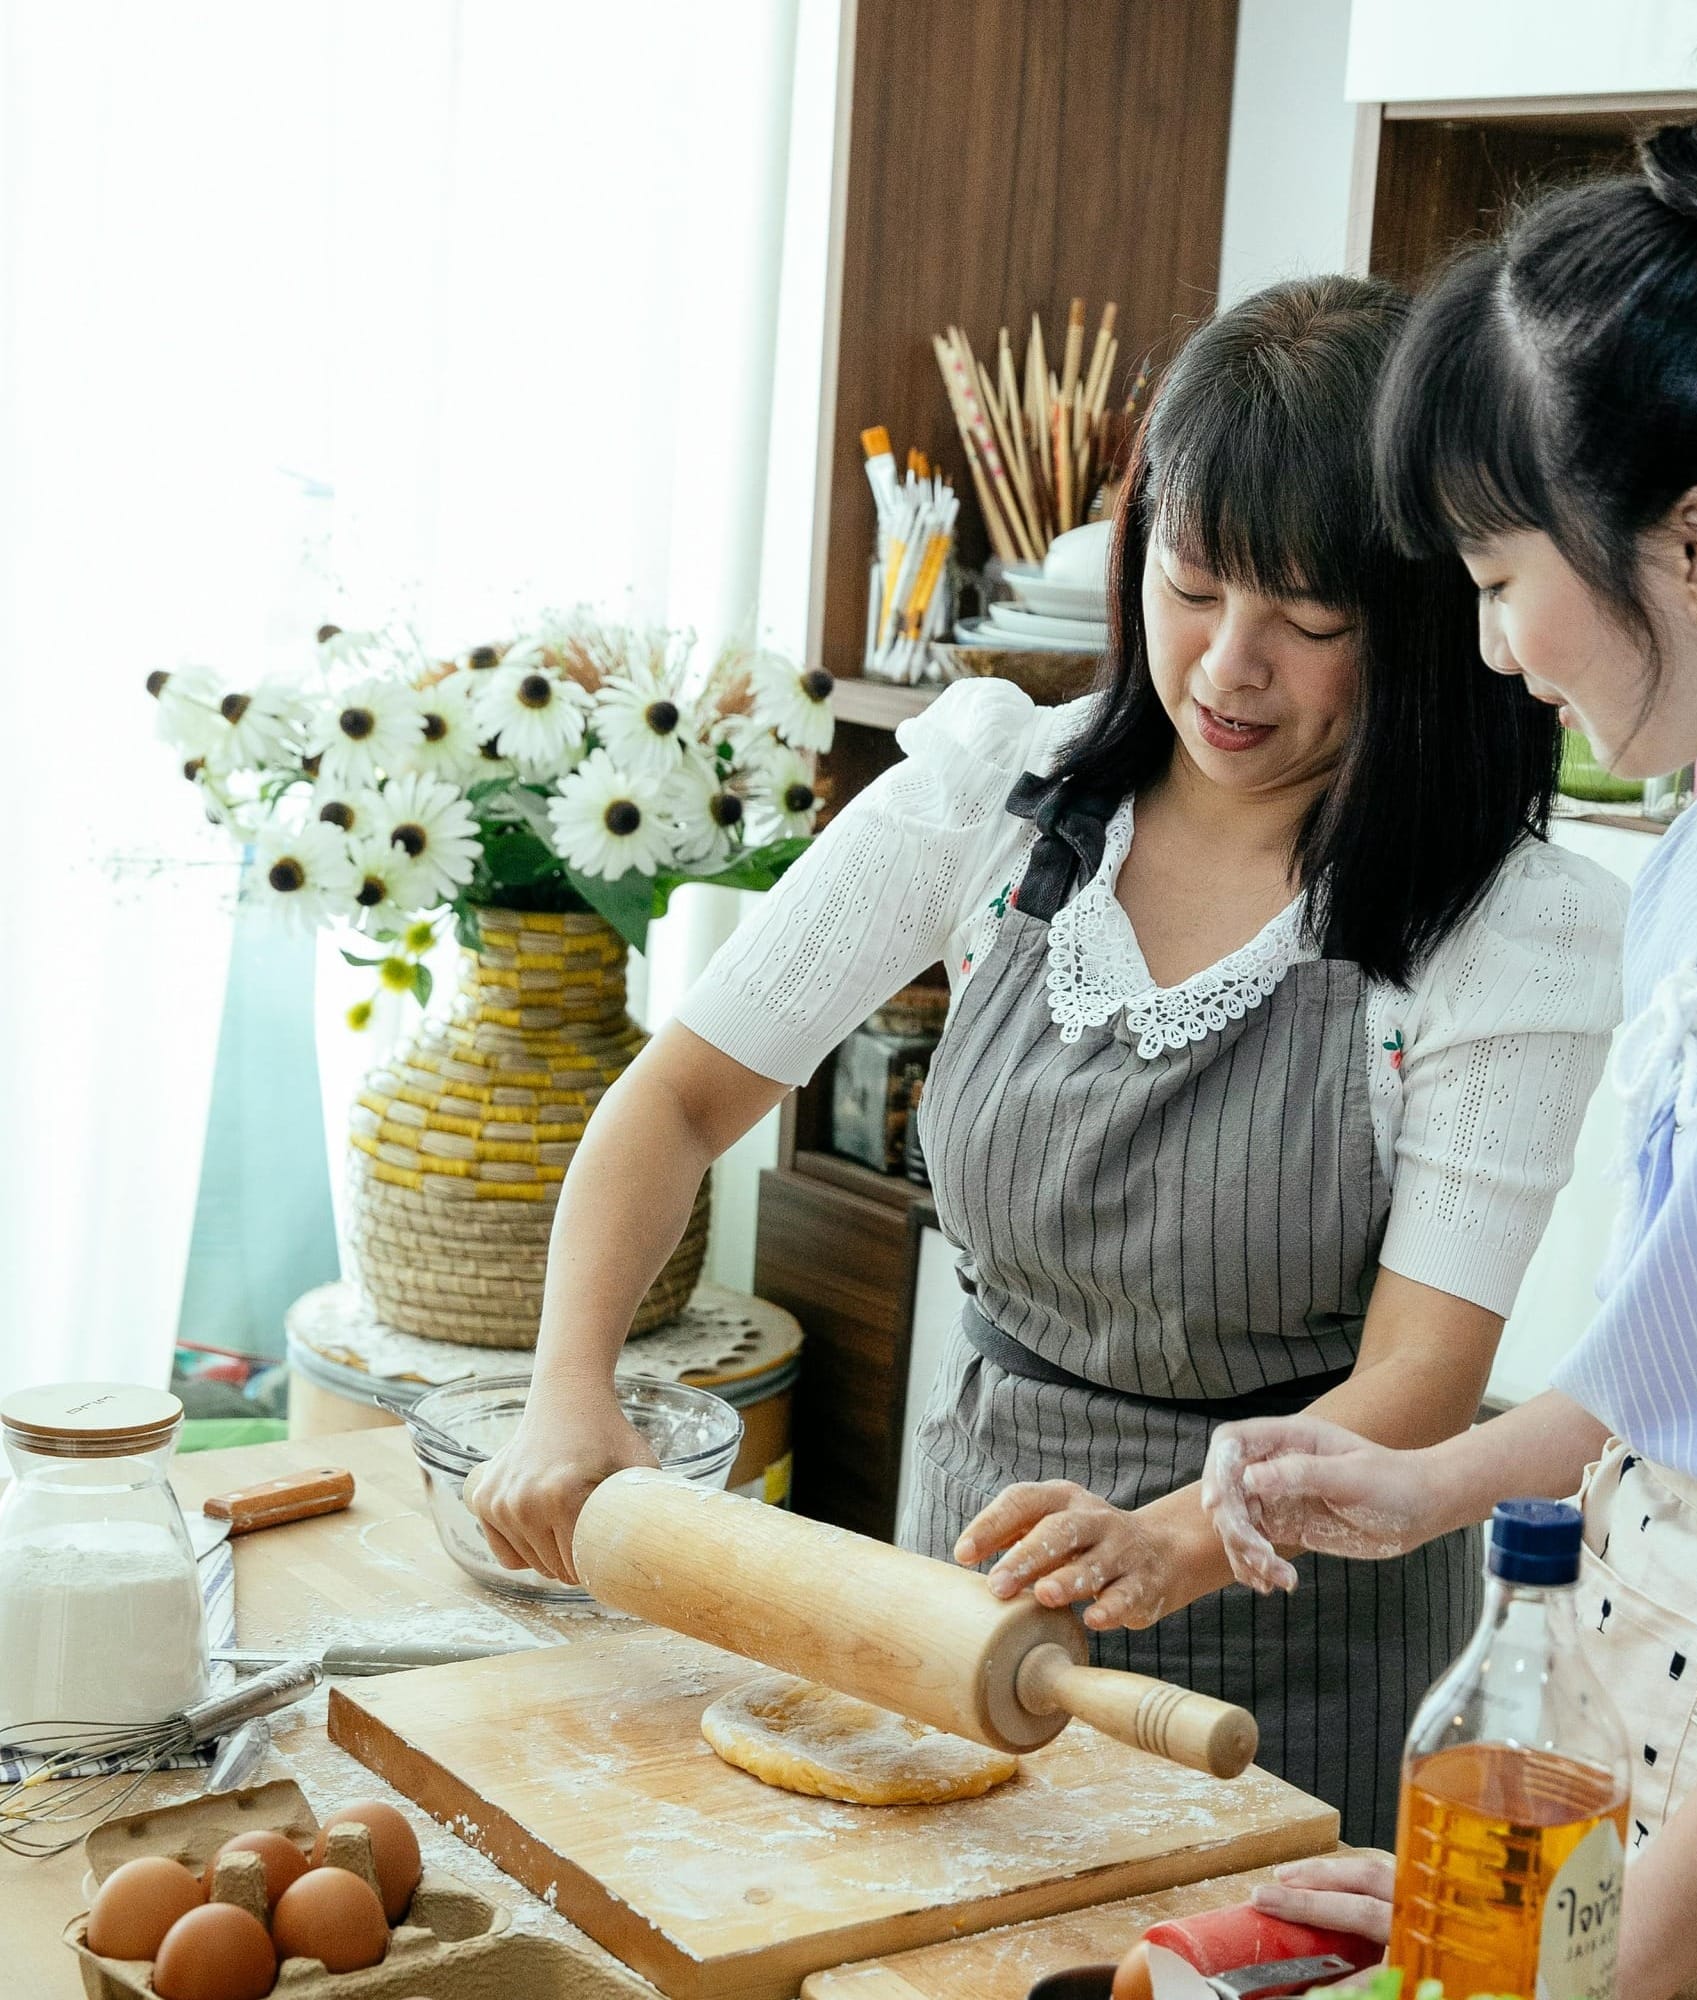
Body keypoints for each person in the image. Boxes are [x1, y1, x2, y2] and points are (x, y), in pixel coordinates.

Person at [464, 275, 1626, 1844]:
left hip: (1300, 1640)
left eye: (1308, 622)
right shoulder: (992, 798)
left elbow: (1417, 1383)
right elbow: (680, 1098)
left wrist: (1168, 1543)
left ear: (1422, 621)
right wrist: (567, 1389)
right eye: (1194, 585)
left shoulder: (1504, 934)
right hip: (966, 1591)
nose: (1227, 667)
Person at [1198, 2, 1697, 1992]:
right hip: (1637, 1704)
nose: (1484, 642)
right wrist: (1434, 1478)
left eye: (1491, 570)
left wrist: (1620, 1949)